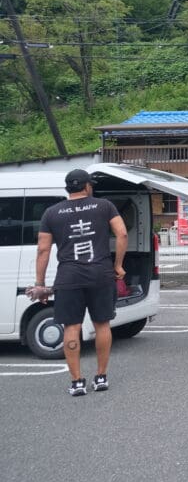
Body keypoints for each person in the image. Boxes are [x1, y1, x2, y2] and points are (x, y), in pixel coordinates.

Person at [29, 169, 127, 397]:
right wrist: (118, 265)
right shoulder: (104, 206)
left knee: (71, 327)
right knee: (102, 324)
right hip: (101, 275)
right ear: (86, 186)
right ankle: (101, 376)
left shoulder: (51, 213)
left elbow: (43, 249)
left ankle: (77, 382)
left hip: (68, 278)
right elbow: (122, 234)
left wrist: (40, 283)